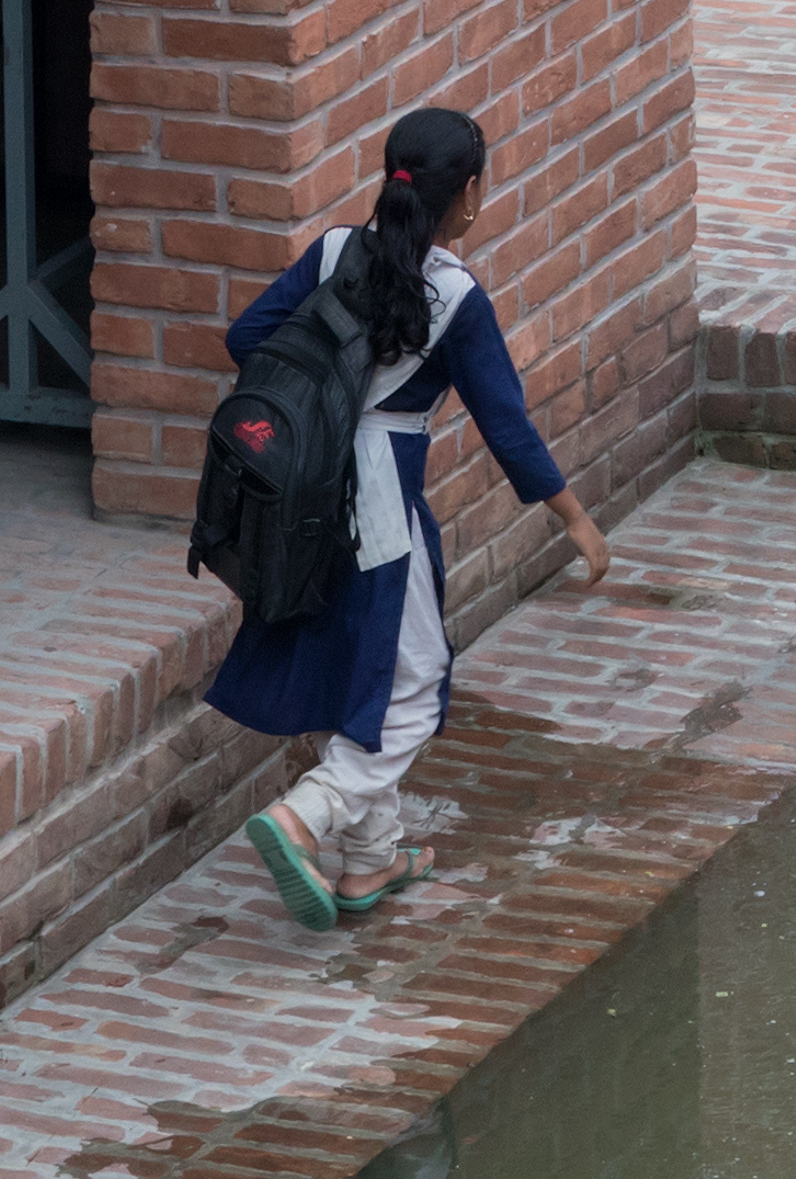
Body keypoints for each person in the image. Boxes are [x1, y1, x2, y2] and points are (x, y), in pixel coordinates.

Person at [206, 103, 610, 924]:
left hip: (299, 489)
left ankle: (369, 860)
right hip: (380, 503)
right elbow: (508, 429)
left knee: (354, 658)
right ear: (466, 195)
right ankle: (308, 813)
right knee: (416, 679)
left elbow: (247, 337)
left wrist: (327, 383)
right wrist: (576, 519)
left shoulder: (330, 252)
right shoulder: (456, 296)